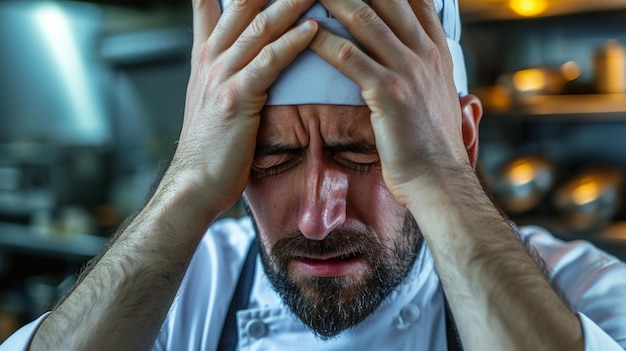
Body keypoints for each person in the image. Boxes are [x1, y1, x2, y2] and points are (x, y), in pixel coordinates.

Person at [3, 0, 626, 349]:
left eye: (363, 155)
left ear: (461, 141)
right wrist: (188, 182)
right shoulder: (184, 297)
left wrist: (442, 176)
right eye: (271, 160)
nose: (317, 217)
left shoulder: (586, 296)